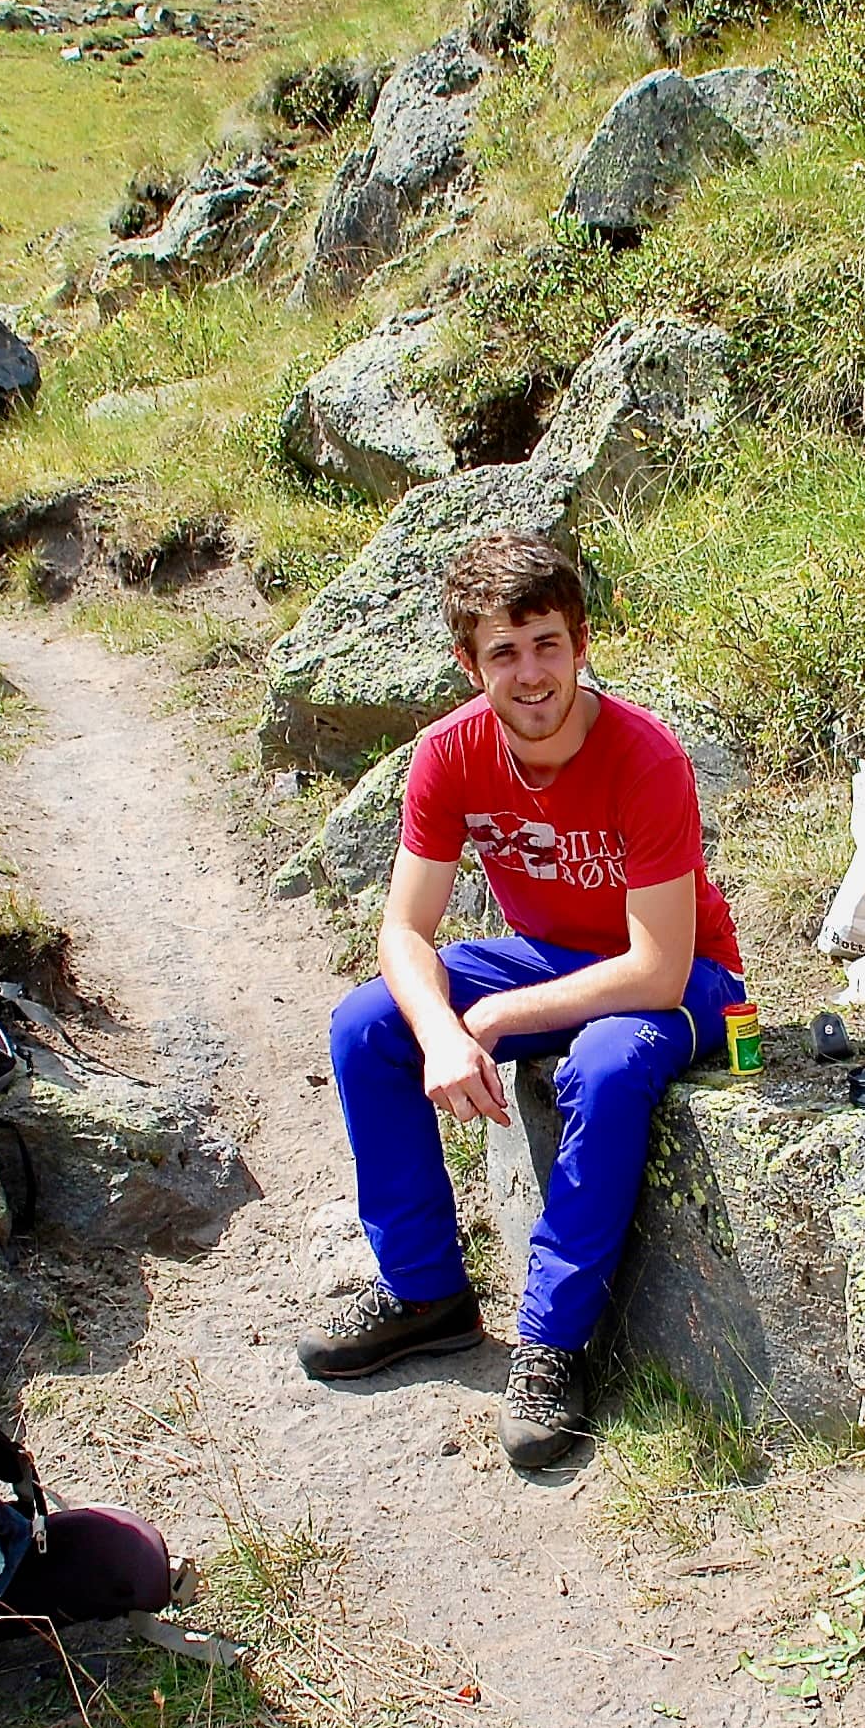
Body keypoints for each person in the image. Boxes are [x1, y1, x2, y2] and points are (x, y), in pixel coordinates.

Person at [301, 530, 747, 1471]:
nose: (531, 673)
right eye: (503, 652)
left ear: (581, 644)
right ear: (470, 665)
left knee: (606, 1064)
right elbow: (403, 931)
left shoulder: (645, 758)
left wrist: (500, 1019)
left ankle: (551, 1342)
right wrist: (440, 1034)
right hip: (549, 956)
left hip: (689, 977)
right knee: (368, 1025)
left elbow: (658, 970)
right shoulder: (448, 754)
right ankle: (425, 1292)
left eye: (547, 644)